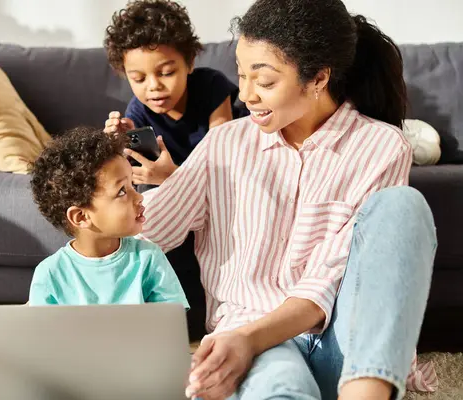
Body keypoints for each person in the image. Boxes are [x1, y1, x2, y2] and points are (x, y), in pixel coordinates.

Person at [138, 0, 438, 399]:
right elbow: (148, 230)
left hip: (344, 345)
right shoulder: (225, 144)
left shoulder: (381, 146)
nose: (245, 96)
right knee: (281, 389)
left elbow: (329, 278)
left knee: (404, 205)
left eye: (264, 82)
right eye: (241, 76)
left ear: (317, 78)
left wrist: (247, 339)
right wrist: (113, 188)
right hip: (253, 336)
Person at [27, 126, 188, 310]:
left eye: (132, 185)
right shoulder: (50, 273)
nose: (139, 197)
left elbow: (172, 322)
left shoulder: (148, 258)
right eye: (122, 191)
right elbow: (44, 335)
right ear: (81, 216)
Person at [103, 0, 242, 186]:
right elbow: (137, 175)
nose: (154, 86)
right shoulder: (136, 113)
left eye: (167, 73)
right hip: (183, 188)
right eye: (138, 79)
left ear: (190, 62)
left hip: (224, 175)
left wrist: (173, 177)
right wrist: (118, 148)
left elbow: (224, 162)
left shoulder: (211, 85)